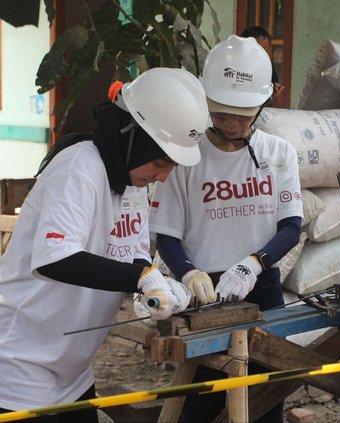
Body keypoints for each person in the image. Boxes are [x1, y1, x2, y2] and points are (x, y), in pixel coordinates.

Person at [0, 67, 209, 422]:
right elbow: (56, 258)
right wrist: (140, 277)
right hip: (20, 366)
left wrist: (155, 286)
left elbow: (133, 249)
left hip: (73, 369)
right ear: (132, 138)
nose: (163, 176)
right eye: (159, 162)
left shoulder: (133, 183)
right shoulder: (79, 169)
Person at [149, 34, 303, 422]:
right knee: (199, 403)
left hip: (261, 289)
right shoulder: (186, 157)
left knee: (265, 403)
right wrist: (188, 272)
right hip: (204, 294)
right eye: (221, 114)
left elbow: (291, 225)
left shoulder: (278, 153)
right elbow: (166, 234)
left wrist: (253, 264)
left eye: (243, 115)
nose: (232, 124)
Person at [240, 25, 285, 107]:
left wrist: (276, 98)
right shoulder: (238, 72)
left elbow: (273, 105)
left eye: (268, 51)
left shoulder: (270, 72)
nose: (266, 55)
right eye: (261, 50)